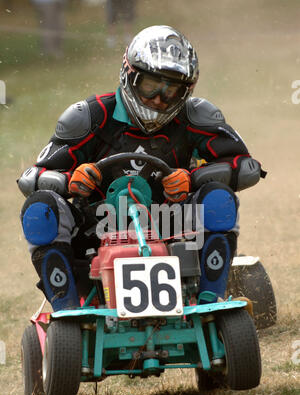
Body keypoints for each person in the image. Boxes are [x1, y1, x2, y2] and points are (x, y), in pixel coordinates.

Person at [18, 25, 265, 312]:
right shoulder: (90, 117)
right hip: (95, 229)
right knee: (40, 210)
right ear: (130, 75)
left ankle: (211, 306)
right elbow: (30, 179)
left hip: (171, 225)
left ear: (186, 91)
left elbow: (246, 167)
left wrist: (192, 178)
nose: (159, 99)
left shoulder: (195, 115)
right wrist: (71, 180)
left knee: (219, 199)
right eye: (150, 86)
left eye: (170, 90)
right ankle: (69, 313)